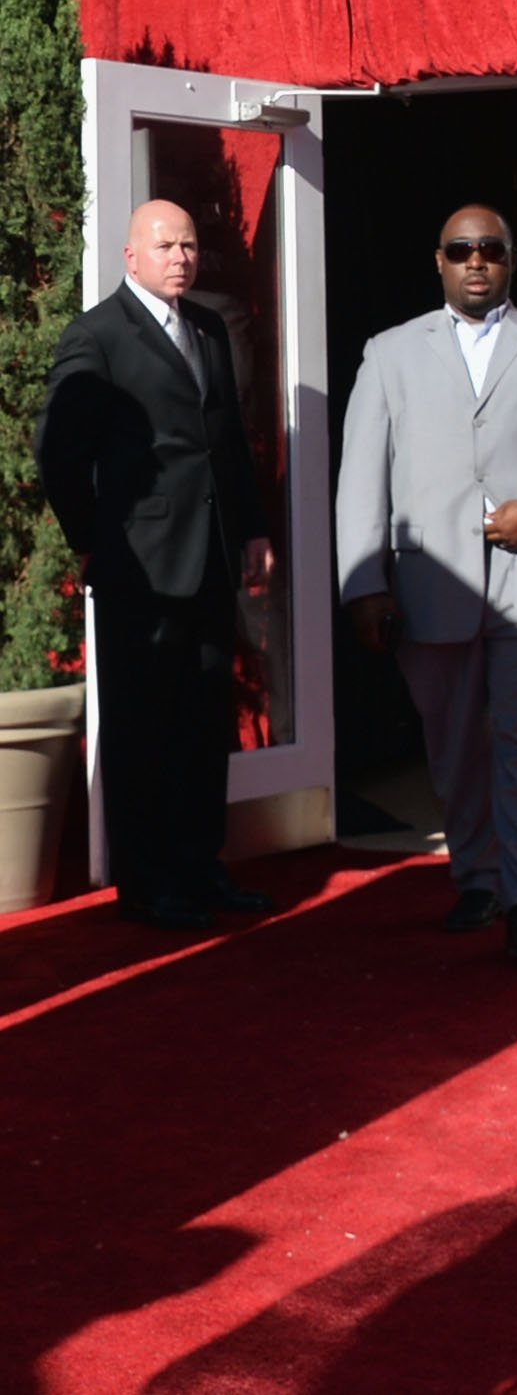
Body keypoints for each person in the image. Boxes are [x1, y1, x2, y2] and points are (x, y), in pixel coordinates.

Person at [336, 206, 517, 967]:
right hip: (432, 588)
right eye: (462, 250)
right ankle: (479, 880)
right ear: (439, 262)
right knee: (453, 749)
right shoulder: (389, 354)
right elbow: (363, 476)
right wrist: (364, 585)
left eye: (490, 249)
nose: (476, 261)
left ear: (511, 260)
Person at [36, 199, 275, 929]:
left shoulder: (206, 327)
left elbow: (227, 441)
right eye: (165, 245)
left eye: (190, 245)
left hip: (210, 557)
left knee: (206, 719)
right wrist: (92, 539)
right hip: (139, 565)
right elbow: (59, 452)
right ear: (131, 256)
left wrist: (255, 532)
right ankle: (148, 883)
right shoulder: (97, 336)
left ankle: (203, 868)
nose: (181, 256)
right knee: (145, 726)